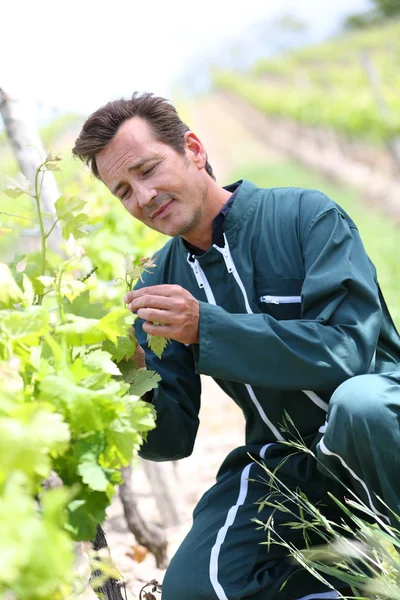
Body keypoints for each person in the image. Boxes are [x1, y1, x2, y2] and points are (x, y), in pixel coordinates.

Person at [72, 92, 400, 600]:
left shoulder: (305, 216)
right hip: (287, 466)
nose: (143, 195)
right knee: (194, 590)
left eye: (148, 169)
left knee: (361, 403)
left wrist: (208, 327)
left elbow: (348, 353)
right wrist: (129, 377)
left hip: (378, 435)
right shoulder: (161, 277)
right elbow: (172, 439)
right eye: (123, 190)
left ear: (194, 149)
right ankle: (349, 586)